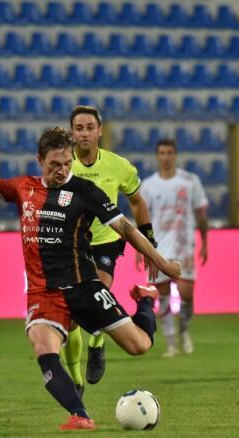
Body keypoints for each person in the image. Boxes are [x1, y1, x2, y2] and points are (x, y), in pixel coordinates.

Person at [0, 128, 181, 430]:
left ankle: (146, 299)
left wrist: (162, 262)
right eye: (54, 165)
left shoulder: (86, 192)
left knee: (139, 345)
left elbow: (125, 228)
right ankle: (80, 415)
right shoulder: (23, 187)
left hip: (84, 286)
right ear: (40, 161)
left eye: (67, 164)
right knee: (43, 348)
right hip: (44, 293)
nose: (62, 170)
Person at [64, 105, 157, 390]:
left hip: (105, 242)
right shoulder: (62, 166)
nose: (84, 133)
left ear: (100, 131)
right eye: (79, 128)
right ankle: (76, 382)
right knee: (70, 320)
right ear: (71, 133)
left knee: (97, 296)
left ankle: (97, 341)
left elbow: (137, 202)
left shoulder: (119, 166)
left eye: (90, 127)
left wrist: (148, 241)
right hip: (71, 246)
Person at [138, 139, 208, 357]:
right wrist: (140, 249)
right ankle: (170, 343)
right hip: (158, 246)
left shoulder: (190, 181)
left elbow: (201, 214)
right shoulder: (148, 185)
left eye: (169, 152)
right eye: (162, 153)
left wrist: (205, 242)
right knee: (163, 295)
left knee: (186, 293)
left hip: (183, 245)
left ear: (175, 155)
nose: (166, 156)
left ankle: (184, 329)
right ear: (157, 156)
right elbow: (142, 218)